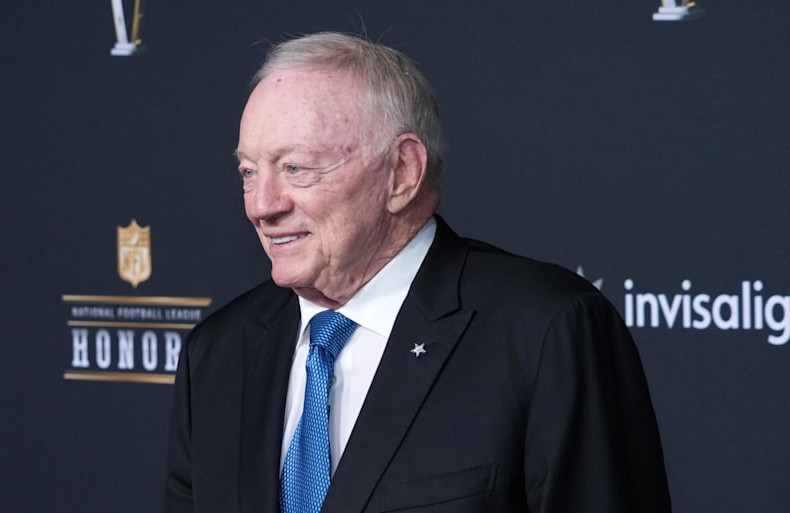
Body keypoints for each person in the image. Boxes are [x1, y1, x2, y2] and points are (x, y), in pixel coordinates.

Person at [164, 31, 671, 513]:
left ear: (403, 173)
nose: (262, 206)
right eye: (249, 172)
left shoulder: (545, 331)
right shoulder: (219, 351)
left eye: (296, 168)